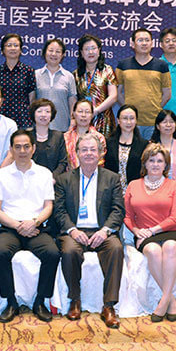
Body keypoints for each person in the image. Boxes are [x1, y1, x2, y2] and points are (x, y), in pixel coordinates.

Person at [54, 134, 125, 328]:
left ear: (100, 153)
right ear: (77, 153)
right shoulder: (64, 179)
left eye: (93, 149)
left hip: (102, 230)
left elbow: (118, 210)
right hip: (75, 230)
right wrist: (72, 230)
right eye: (84, 149)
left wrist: (105, 231)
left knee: (116, 249)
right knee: (69, 250)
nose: (88, 153)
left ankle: (109, 306)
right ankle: (75, 300)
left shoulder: (112, 178)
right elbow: (59, 211)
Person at [0, 129, 60, 323]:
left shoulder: (44, 174)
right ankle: (11, 302)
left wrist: (34, 222)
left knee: (52, 253)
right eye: (18, 147)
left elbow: (49, 206)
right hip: (9, 227)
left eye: (26, 146)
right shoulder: (0, 175)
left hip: (37, 227)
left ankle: (40, 301)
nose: (22, 151)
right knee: (0, 253)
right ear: (11, 150)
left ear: (33, 148)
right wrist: (17, 225)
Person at [124, 143, 176, 323]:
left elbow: (175, 218)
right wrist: (136, 231)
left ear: (166, 165)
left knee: (170, 247)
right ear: (145, 163)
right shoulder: (133, 185)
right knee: (152, 251)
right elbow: (128, 216)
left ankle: (164, 301)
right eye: (151, 160)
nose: (155, 164)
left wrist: (152, 230)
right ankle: (171, 300)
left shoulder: (174, 186)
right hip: (144, 234)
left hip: (171, 231)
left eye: (160, 161)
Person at [116, 28, 172, 140]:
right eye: (140, 40)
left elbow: (167, 93)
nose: (144, 43)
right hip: (130, 122)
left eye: (147, 40)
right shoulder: (123, 65)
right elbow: (117, 93)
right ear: (133, 44)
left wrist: (155, 108)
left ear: (152, 43)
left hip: (153, 122)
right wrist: (128, 109)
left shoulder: (161, 65)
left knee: (151, 150)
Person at [73, 34, 117, 137]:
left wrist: (96, 111)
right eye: (87, 49)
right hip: (83, 120)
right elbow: (74, 100)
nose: (91, 52)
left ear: (99, 50)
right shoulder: (76, 74)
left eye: (93, 48)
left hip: (104, 120)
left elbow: (113, 96)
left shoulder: (107, 70)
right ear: (81, 52)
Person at [0, 33, 37, 129]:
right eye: (9, 45)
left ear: (20, 50)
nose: (12, 48)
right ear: (3, 50)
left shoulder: (28, 71)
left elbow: (32, 98)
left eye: (16, 45)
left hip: (23, 120)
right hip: (1, 119)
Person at [105, 104, 149, 194]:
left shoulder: (144, 145)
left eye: (132, 118)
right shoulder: (109, 143)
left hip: (136, 192)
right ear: (118, 121)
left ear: (136, 121)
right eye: (125, 118)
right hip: (112, 191)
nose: (128, 122)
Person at [34, 38, 77, 132]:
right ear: (45, 52)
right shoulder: (36, 75)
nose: (53, 54)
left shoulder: (69, 76)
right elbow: (32, 101)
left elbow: (72, 102)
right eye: (50, 50)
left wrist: (73, 121)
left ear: (63, 55)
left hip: (62, 127)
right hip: (39, 127)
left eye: (58, 51)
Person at [151, 109, 176, 189]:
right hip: (155, 190)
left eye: (171, 122)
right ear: (158, 126)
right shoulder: (151, 147)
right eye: (164, 122)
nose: (168, 125)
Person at [28, 98, 68, 177]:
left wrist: (52, 178)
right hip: (29, 178)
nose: (43, 115)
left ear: (51, 115)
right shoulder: (27, 136)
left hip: (53, 179)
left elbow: (63, 162)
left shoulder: (58, 136)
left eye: (47, 111)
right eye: (39, 111)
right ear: (33, 114)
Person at [63, 99, 106, 170]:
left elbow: (100, 162)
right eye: (80, 111)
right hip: (70, 175)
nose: (83, 115)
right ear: (74, 114)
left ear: (92, 115)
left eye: (87, 112)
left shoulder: (99, 138)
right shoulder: (65, 137)